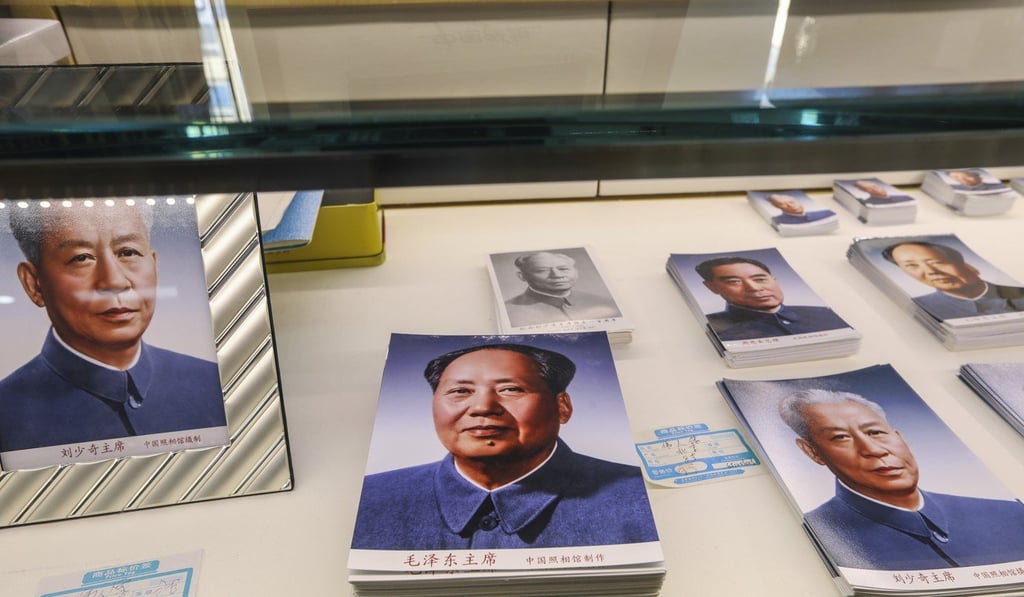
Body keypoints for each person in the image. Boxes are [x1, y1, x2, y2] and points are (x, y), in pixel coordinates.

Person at [351, 343, 658, 551]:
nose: (483, 407)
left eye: (511, 389)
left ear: (562, 406)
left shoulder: (635, 496)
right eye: (460, 391)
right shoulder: (372, 498)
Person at [0, 201, 226, 457]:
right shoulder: (6, 413)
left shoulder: (211, 382)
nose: (114, 281)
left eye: (128, 252)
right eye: (81, 258)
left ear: (154, 265)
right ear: (34, 284)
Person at [779, 389, 1024, 570]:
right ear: (812, 452)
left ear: (900, 438)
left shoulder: (1010, 513)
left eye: (875, 432)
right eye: (841, 437)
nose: (873, 449)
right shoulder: (811, 537)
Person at [695, 257, 850, 341]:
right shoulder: (710, 328)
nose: (754, 288)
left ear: (774, 279)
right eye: (734, 282)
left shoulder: (824, 314)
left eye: (760, 279)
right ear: (711, 287)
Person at [882, 240, 1024, 319]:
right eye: (912, 266)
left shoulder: (1019, 294)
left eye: (937, 262)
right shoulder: (920, 308)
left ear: (968, 266)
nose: (931, 272)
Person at [504, 251, 620, 327]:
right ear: (522, 276)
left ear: (576, 271)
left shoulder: (606, 303)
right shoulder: (509, 312)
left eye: (563, 269)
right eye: (542, 270)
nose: (557, 275)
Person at [766, 193, 834, 225]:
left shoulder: (826, 214)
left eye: (791, 202)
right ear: (777, 207)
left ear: (798, 201)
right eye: (783, 204)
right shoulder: (778, 221)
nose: (790, 205)